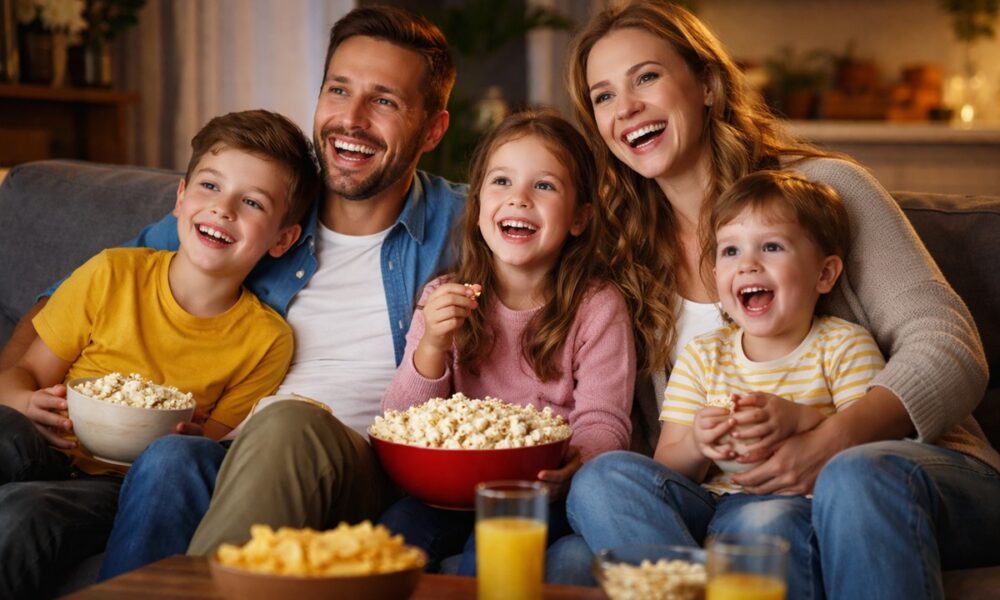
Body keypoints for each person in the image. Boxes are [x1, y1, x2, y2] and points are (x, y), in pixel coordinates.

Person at [0, 6, 464, 581]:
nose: (352, 118)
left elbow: (567, 248)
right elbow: (61, 302)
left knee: (289, 421)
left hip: (347, 462)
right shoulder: (251, 203)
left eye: (385, 101)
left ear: (434, 128)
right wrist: (18, 389)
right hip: (209, 454)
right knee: (167, 457)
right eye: (338, 90)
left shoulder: (468, 223)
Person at [553, 2, 1000, 598]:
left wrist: (830, 443)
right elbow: (652, 443)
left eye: (647, 77)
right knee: (572, 549)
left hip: (907, 471)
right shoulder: (623, 255)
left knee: (826, 489)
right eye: (603, 96)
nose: (626, 107)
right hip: (721, 498)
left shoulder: (824, 191)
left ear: (708, 84)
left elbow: (947, 345)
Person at [0, 108, 317, 598]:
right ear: (180, 197)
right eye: (209, 186)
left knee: (21, 518)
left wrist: (192, 438)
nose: (223, 209)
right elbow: (20, 373)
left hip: (116, 489)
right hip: (46, 444)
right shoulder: (112, 275)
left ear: (283, 239)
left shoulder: (266, 341)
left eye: (252, 202)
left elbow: (204, 446)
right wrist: (25, 402)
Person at [377, 110, 635, 579]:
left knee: (492, 553)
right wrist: (434, 343)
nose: (518, 198)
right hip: (450, 491)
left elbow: (605, 420)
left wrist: (576, 464)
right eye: (501, 181)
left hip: (540, 489)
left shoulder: (597, 305)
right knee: (389, 540)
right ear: (476, 209)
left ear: (579, 218)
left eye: (544, 186)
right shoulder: (443, 298)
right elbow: (404, 421)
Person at [651, 170, 884, 597]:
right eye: (731, 250)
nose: (748, 264)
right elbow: (665, 467)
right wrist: (699, 445)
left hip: (802, 508)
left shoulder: (843, 346)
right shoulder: (704, 355)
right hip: (715, 503)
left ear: (825, 274)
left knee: (766, 522)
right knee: (604, 477)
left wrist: (799, 419)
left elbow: (868, 464)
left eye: (772, 247)